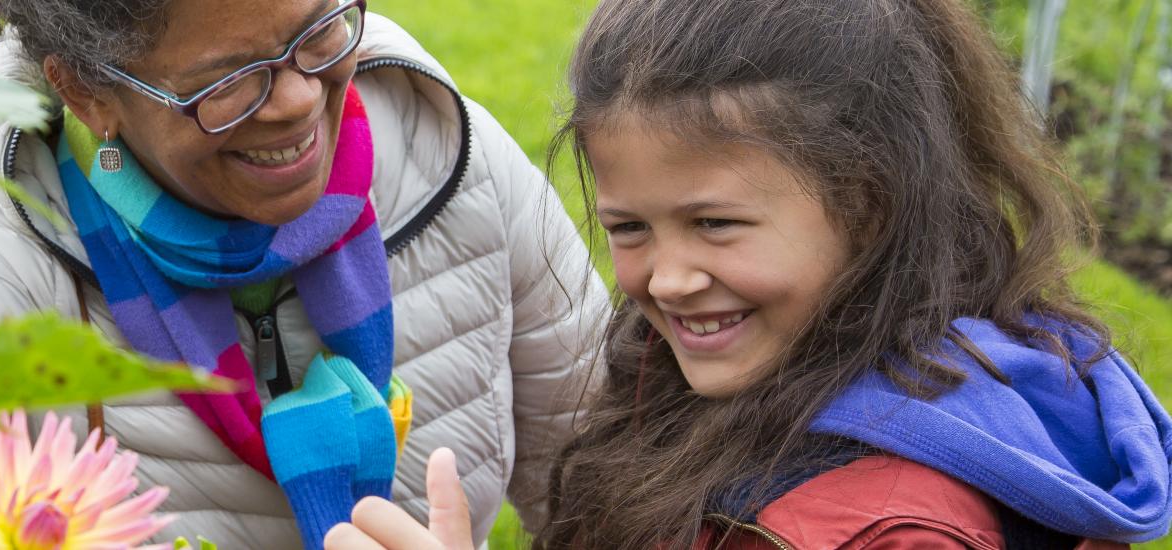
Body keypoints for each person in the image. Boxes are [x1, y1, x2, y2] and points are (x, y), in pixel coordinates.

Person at [324, 0, 1172, 548]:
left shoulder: (891, 528)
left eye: (715, 225)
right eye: (629, 228)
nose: (669, 279)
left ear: (869, 205)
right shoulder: (743, 369)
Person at [0, 0, 608, 547]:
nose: (300, 100)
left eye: (317, 34)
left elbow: (620, 482)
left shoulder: (453, 159)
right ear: (86, 90)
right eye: (227, 83)